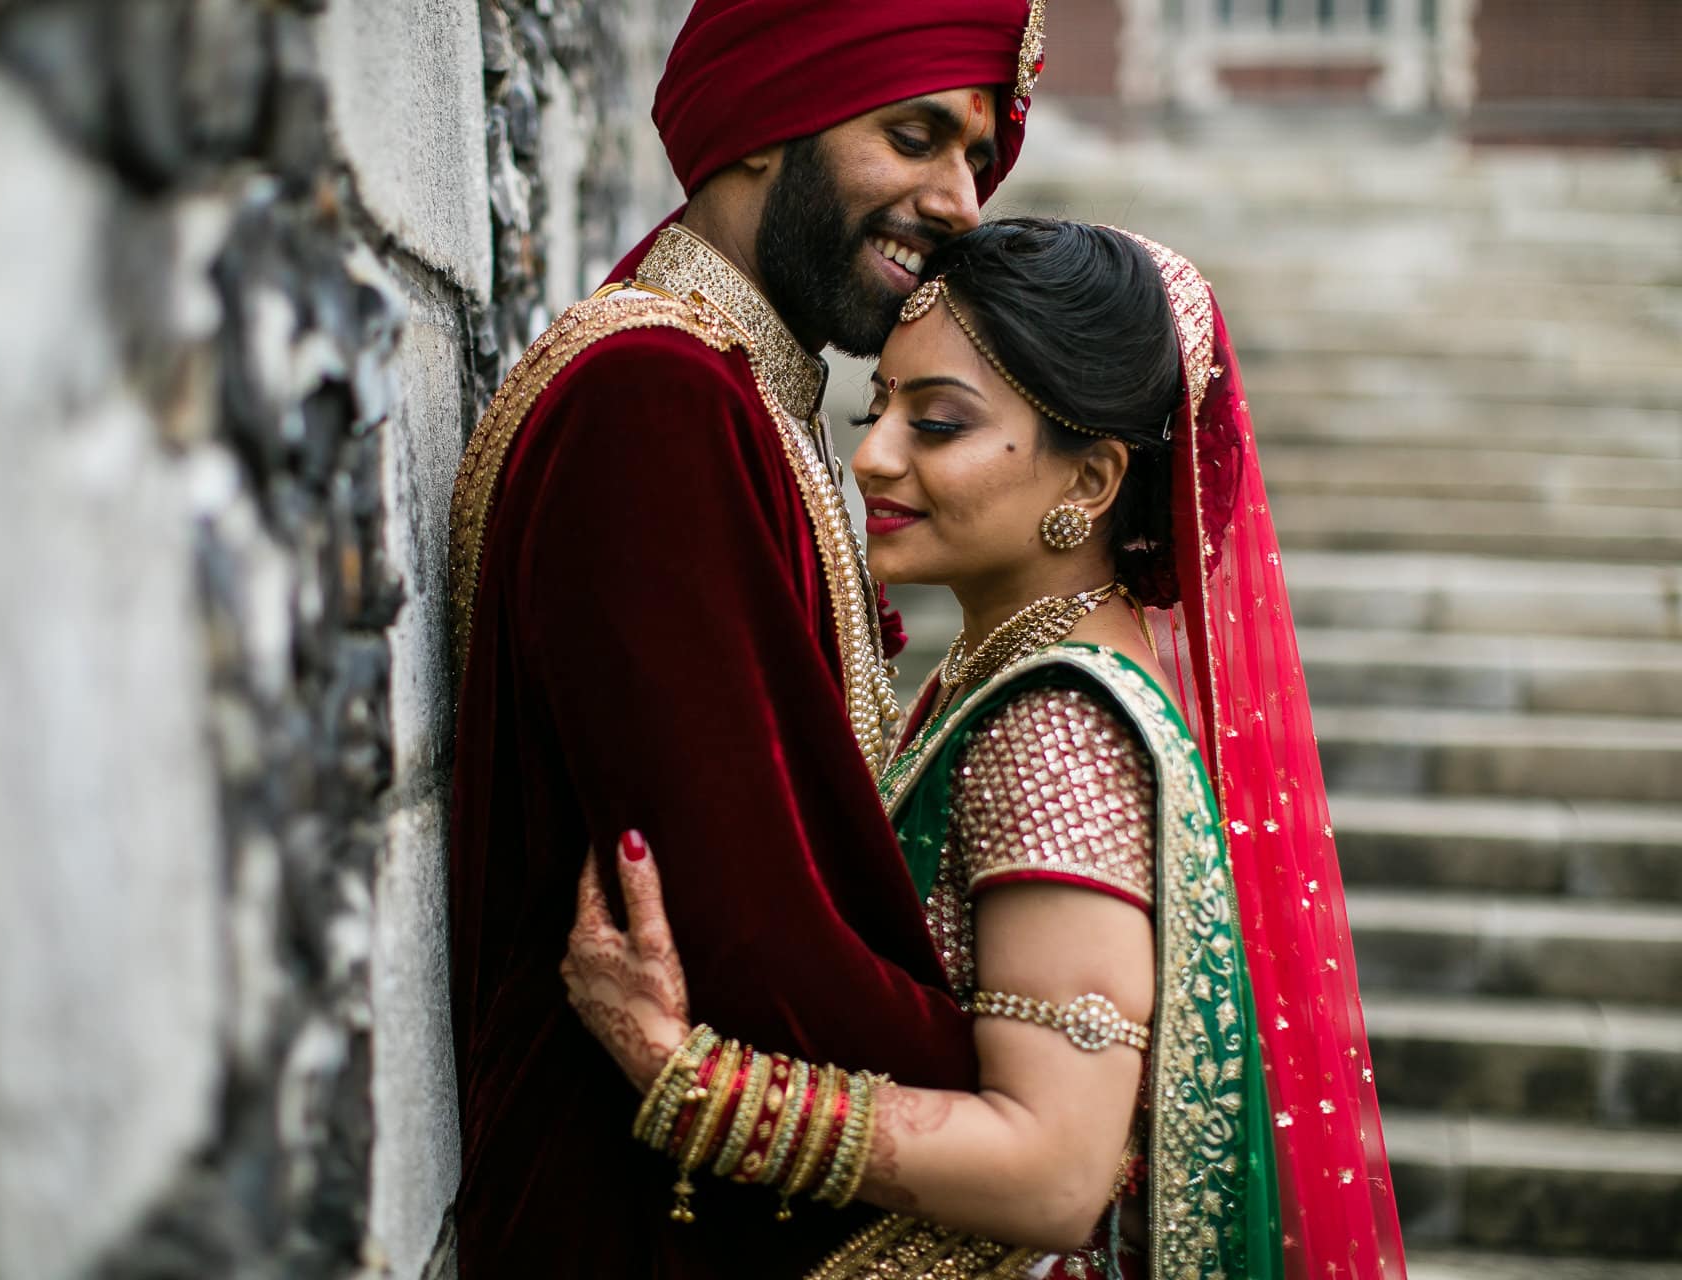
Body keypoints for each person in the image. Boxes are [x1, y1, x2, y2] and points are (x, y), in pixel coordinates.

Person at [562, 219, 1408, 1279]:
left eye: (941, 422)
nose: (873, 453)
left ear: (1092, 483)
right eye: (879, 408)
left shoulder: (1053, 729)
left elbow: (1055, 1168)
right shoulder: (1007, 673)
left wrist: (690, 1079)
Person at [445, 0, 1052, 1274]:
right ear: (770, 119)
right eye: (914, 136)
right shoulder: (653, 399)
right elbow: (740, 943)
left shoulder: (741, 393)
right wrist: (1039, 1104)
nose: (959, 203)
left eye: (976, 160)